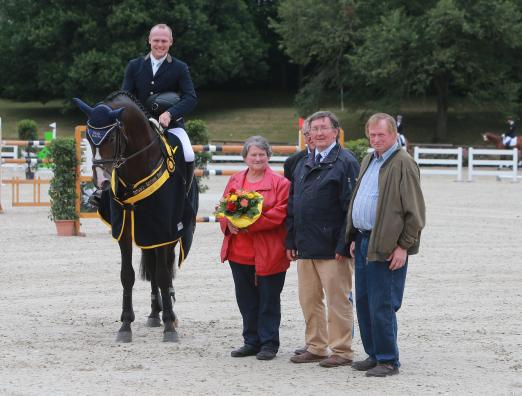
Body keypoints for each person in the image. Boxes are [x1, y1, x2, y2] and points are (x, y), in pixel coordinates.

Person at [346, 113, 426, 377]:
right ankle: (373, 353)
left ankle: (389, 359)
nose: (376, 139)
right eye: (372, 135)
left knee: (383, 303)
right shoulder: (370, 159)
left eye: (381, 134)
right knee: (365, 301)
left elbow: (414, 212)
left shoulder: (403, 163)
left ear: (393, 134)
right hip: (364, 240)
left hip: (387, 245)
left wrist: (404, 246)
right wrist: (354, 237)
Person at [285, 111, 360, 367]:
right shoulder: (302, 163)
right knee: (309, 299)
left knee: (338, 301)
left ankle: (342, 350)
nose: (318, 133)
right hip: (305, 245)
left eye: (323, 128)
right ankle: (316, 346)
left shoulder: (346, 162)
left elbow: (350, 208)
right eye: (314, 129)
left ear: (335, 131)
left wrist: (344, 243)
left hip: (332, 248)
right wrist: (291, 239)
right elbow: (294, 204)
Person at [219, 136, 291, 361]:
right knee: (246, 299)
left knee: (269, 300)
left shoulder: (281, 184)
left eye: (262, 154)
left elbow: (281, 213)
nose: (258, 158)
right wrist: (229, 222)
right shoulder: (235, 180)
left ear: (269, 156)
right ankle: (251, 341)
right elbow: (224, 207)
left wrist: (248, 222)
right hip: (239, 252)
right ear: (245, 158)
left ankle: (269, 343)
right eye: (253, 155)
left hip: (269, 252)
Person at [122, 23, 197, 190]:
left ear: (171, 42)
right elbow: (125, 97)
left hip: (170, 125)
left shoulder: (180, 67)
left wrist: (170, 113)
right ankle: (105, 193)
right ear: (149, 40)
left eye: (164, 41)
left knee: (188, 153)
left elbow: (190, 97)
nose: (160, 45)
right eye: (156, 40)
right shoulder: (134, 66)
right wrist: (143, 117)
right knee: (116, 150)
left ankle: (186, 193)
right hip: (139, 125)